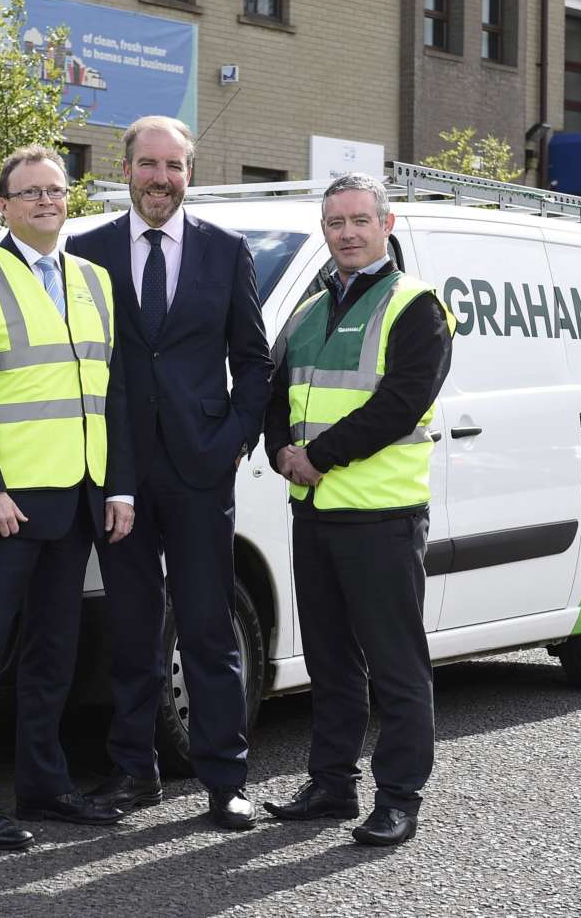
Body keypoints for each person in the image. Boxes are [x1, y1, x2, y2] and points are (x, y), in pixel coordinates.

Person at [67, 116, 271, 830]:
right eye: (149, 164)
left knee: (209, 631)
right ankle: (133, 773)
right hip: (116, 475)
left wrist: (233, 443)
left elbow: (254, 361)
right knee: (129, 630)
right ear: (125, 170)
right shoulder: (85, 251)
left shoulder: (227, 251)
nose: (161, 178)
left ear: (191, 173)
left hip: (199, 473)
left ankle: (225, 782)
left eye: (175, 166)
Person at [0, 146, 136, 851]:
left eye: (56, 189)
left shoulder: (92, 279)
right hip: (7, 505)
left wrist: (118, 486)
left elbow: (109, 395)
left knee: (55, 654)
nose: (47, 201)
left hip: (77, 498)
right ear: (4, 205)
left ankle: (45, 788)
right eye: (31, 192)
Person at [260, 172, 453, 847]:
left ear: (386, 225)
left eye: (359, 221)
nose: (346, 233)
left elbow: (400, 403)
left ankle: (399, 797)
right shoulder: (309, 311)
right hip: (315, 512)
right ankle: (332, 784)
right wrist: (281, 448)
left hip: (382, 514)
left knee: (396, 665)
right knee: (332, 660)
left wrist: (319, 457)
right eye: (335, 222)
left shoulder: (415, 306)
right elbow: (277, 393)